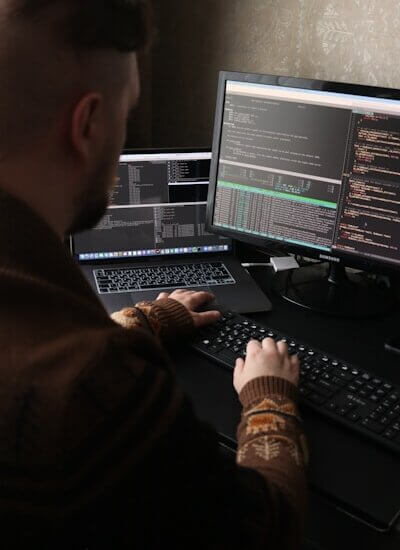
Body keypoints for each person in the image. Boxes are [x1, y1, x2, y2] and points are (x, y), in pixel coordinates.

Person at [0, 1, 308, 548]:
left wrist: (143, 318)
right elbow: (264, 529)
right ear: (89, 124)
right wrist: (269, 398)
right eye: (127, 111)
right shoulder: (98, 391)